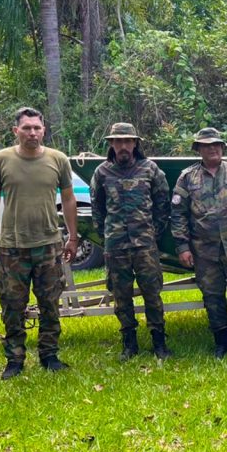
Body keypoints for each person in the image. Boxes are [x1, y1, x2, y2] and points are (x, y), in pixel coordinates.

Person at [0, 107, 78, 380]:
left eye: (36, 128)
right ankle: (15, 359)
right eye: (26, 128)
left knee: (50, 304)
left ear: (44, 130)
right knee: (13, 306)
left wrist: (72, 236)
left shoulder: (58, 160)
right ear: (16, 131)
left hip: (48, 245)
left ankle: (49, 355)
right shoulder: (1, 160)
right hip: (13, 247)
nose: (32, 133)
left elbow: (68, 200)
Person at [171, 127, 227, 359]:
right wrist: (182, 247)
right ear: (199, 150)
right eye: (206, 145)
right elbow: (178, 213)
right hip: (204, 250)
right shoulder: (187, 177)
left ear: (222, 148)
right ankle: (221, 342)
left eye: (216, 145)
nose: (212, 148)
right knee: (212, 296)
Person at [90, 122, 171, 361]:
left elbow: (162, 204)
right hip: (116, 246)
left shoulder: (150, 169)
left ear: (135, 143)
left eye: (127, 141)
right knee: (121, 295)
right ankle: (129, 344)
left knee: (153, 294)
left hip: (145, 245)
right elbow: (98, 209)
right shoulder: (102, 173)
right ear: (111, 145)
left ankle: (159, 343)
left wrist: (152, 233)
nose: (123, 146)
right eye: (118, 141)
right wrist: (109, 234)